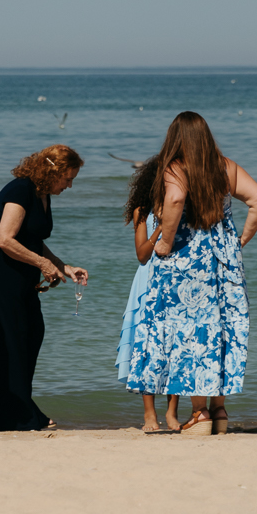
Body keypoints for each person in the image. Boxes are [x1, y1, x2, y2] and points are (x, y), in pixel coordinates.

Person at [120, 112, 257, 436]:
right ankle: (219, 410)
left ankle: (199, 412)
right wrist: (239, 240)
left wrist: (167, 240)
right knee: (218, 329)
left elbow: (174, 198)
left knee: (188, 333)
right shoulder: (225, 166)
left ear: (176, 137)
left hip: (186, 264)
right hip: (222, 262)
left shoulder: (176, 167)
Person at [0, 144, 87, 432]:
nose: (70, 185)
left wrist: (62, 267)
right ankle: (18, 414)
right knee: (9, 341)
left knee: (31, 334)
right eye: (68, 179)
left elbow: (33, 238)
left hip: (21, 275)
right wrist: (42, 264)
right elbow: (4, 239)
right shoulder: (20, 190)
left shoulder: (43, 193)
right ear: (53, 172)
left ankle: (15, 410)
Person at [115, 164, 177, 432]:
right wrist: (160, 228)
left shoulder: (181, 209)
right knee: (146, 345)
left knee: (176, 345)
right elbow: (142, 254)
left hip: (175, 281)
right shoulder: (142, 211)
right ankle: (149, 415)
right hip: (146, 282)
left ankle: (173, 412)